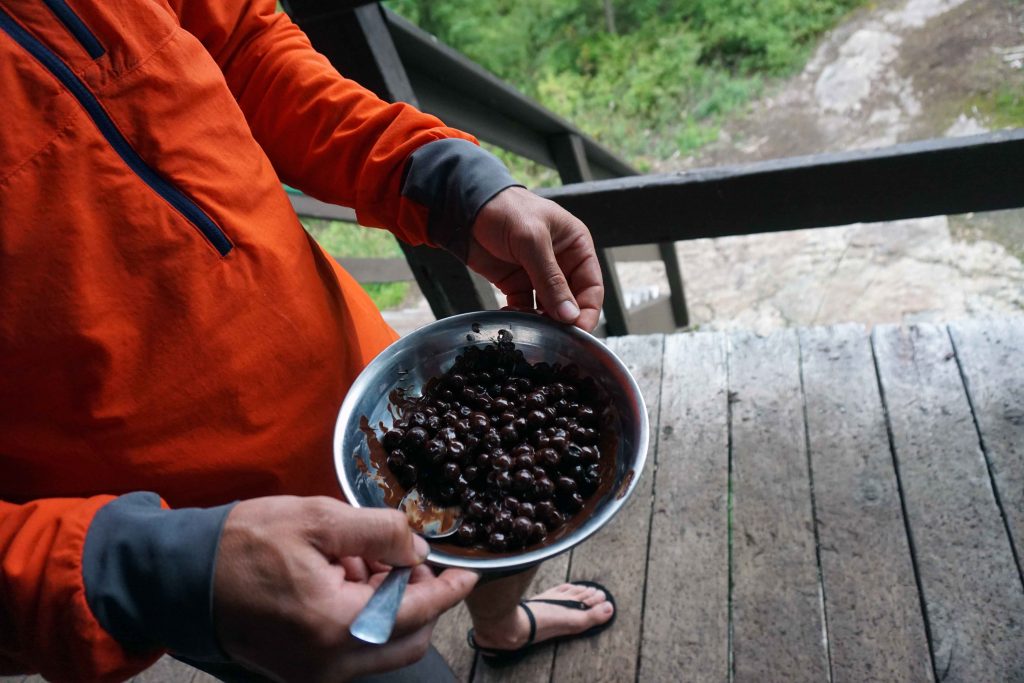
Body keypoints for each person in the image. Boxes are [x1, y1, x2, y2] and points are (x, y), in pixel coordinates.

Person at [0, 1, 615, 681]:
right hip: (219, 540)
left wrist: (444, 180)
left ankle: (499, 627)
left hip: (357, 379)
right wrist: (157, 573)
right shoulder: (193, 560)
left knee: (500, 522)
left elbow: (243, 44)